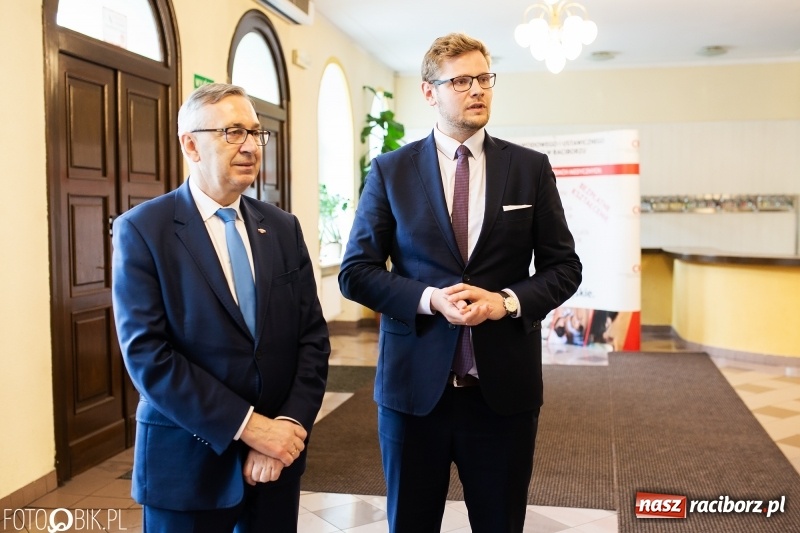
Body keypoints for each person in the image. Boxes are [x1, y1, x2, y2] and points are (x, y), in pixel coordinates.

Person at [339, 33, 582, 533]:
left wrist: (505, 301)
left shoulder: (529, 169)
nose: (478, 90)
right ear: (430, 92)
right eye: (462, 81)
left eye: (485, 78)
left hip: (502, 397)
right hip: (413, 396)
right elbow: (355, 273)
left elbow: (565, 267)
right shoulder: (390, 171)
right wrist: (428, 300)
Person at [112, 83, 330, 533]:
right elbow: (149, 358)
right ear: (190, 144)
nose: (250, 146)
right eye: (233, 132)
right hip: (187, 468)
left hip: (276, 465)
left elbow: (312, 338)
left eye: (255, 132)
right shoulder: (144, 230)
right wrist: (252, 429)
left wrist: (283, 429)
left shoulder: (283, 228)